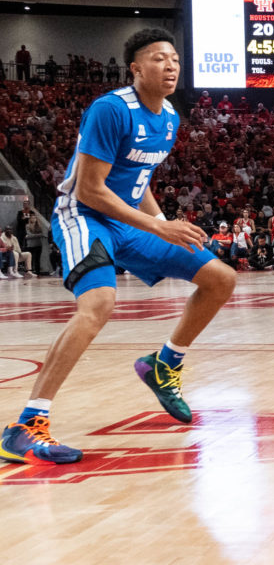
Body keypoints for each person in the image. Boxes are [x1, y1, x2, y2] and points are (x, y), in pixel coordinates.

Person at [0, 29, 236, 465]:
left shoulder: (168, 117)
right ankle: (24, 427)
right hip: (84, 216)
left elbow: (138, 180)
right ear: (136, 68)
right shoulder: (110, 109)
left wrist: (163, 225)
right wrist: (156, 228)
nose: (170, 66)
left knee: (220, 278)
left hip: (129, 222)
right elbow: (90, 190)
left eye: (175, 60)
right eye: (159, 58)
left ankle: (164, 365)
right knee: (98, 305)